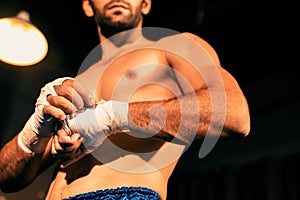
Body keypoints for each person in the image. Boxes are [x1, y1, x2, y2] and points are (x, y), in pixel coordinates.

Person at [0, 0, 250, 199]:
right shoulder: (75, 81)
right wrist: (35, 130)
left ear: (146, 3)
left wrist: (110, 117)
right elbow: (6, 179)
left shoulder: (175, 47)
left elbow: (235, 115)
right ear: (87, 5)